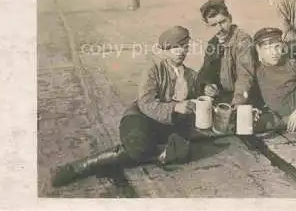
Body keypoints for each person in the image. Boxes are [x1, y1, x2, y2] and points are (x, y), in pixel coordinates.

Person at [51, 26, 198, 187]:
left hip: (166, 125)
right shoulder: (154, 69)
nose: (180, 51)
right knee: (138, 147)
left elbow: (195, 101)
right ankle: (81, 166)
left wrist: (207, 91)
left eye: (184, 47)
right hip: (140, 116)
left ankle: (152, 152)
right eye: (175, 47)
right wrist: (174, 108)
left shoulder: (190, 75)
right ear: (165, 49)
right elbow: (145, 102)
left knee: (184, 153)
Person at [197, 0, 263, 108]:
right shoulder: (213, 42)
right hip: (224, 96)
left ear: (230, 19)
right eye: (213, 25)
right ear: (207, 25)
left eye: (222, 22)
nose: (219, 29)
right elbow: (206, 70)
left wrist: (237, 104)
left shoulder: (243, 41)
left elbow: (245, 76)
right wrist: (207, 85)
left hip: (245, 98)